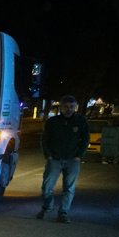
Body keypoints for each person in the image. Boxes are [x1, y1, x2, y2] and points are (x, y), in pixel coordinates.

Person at [38, 95, 89, 224]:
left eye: (72, 107)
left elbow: (85, 139)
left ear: (75, 107)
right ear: (60, 107)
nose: (69, 109)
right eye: (66, 107)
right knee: (47, 187)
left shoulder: (80, 121)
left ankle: (63, 213)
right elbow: (45, 139)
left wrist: (79, 155)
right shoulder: (52, 121)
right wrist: (48, 155)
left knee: (69, 188)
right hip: (54, 159)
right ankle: (47, 207)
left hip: (73, 160)